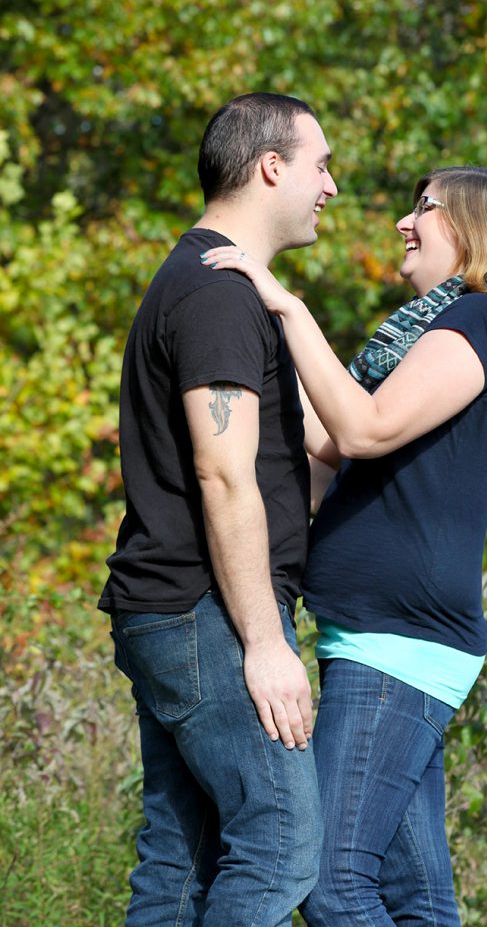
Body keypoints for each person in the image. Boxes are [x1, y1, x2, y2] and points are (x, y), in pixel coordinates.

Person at [201, 165, 487, 926]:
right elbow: (331, 439)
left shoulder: (482, 323)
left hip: (399, 643)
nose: (404, 223)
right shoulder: (440, 331)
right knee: (414, 900)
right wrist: (256, 324)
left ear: (472, 229)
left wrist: (290, 309)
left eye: (423, 209)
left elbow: (364, 428)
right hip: (379, 639)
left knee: (332, 887)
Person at [99, 92, 338, 927]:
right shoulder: (216, 294)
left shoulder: (219, 284)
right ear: (271, 166)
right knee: (281, 842)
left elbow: (301, 454)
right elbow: (223, 474)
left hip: (173, 606)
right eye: (321, 163)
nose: (331, 186)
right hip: (208, 609)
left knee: (179, 861)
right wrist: (267, 644)